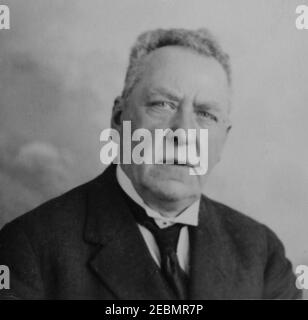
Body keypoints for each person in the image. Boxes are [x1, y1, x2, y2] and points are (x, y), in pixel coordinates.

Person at [0, 28, 301, 299]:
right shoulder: (30, 248)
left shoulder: (262, 255)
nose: (182, 133)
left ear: (224, 139)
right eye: (162, 104)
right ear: (119, 118)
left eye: (206, 114)